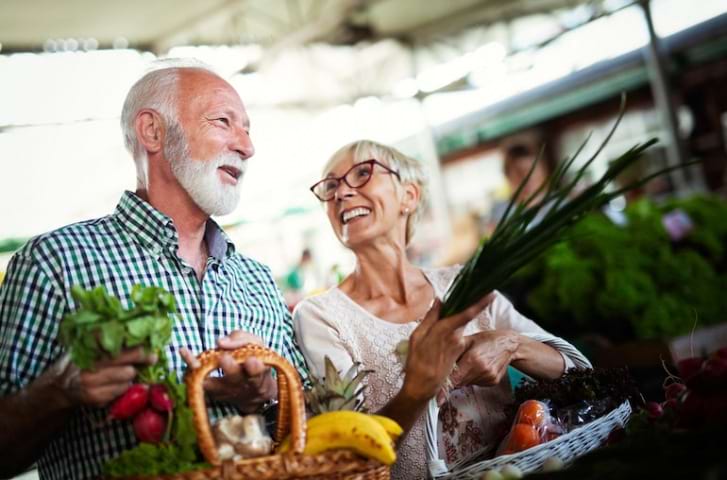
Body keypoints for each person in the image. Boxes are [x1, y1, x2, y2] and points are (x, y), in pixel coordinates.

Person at [0, 61, 308, 479]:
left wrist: (267, 394)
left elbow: (317, 425)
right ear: (153, 131)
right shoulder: (54, 262)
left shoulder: (255, 278)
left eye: (247, 128)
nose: (246, 146)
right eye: (224, 122)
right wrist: (60, 390)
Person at [293, 140, 590, 479]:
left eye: (363, 173)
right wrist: (417, 389)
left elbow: (578, 370)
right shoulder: (321, 316)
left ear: (409, 196)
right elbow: (349, 456)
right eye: (331, 185)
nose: (342, 193)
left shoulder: (464, 282)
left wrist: (511, 344)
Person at [487, 142, 552, 234]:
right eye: (519, 172)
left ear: (542, 171)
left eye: (532, 170)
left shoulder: (559, 203)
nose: (528, 177)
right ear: (507, 176)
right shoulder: (500, 211)